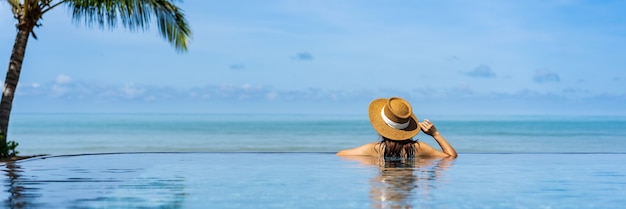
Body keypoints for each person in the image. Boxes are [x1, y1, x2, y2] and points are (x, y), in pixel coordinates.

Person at [336, 97, 457, 159]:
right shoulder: (419, 149)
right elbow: (451, 157)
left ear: (381, 127)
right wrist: (435, 134)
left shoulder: (374, 149)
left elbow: (340, 155)